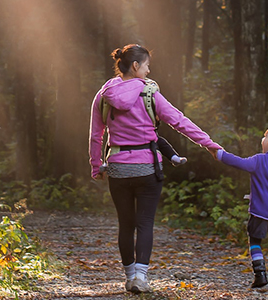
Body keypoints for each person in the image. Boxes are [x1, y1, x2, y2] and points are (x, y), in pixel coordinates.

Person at [89, 44, 222, 293]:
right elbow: (179, 121)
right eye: (147, 66)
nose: (149, 71)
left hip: (118, 167)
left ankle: (129, 278)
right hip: (148, 168)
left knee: (125, 224)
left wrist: (97, 165)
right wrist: (209, 144)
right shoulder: (149, 93)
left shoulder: (104, 94)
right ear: (136, 66)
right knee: (145, 223)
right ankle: (141, 277)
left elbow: (96, 135)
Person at [214, 125, 268, 293]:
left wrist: (219, 154)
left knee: (255, 241)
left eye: (265, 137)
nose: (262, 140)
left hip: (260, 213)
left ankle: (260, 274)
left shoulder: (259, 160)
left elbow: (238, 162)